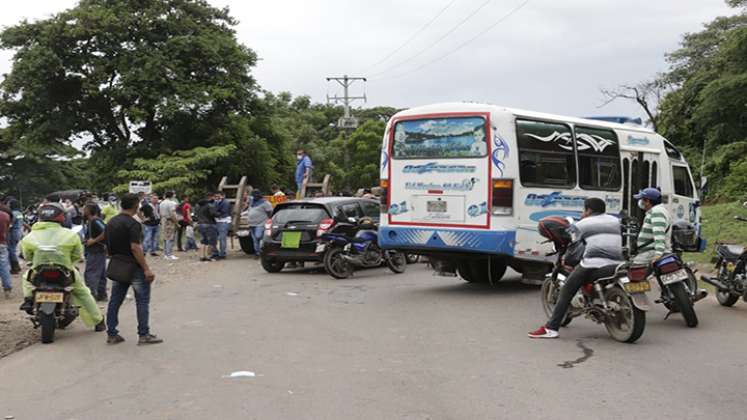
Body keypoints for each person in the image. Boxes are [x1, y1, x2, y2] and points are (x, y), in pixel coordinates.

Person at [528, 198, 623, 339]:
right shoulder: (615, 221)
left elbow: (573, 247)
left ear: (589, 210)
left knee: (567, 289)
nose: (583, 212)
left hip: (593, 265)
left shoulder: (582, 224)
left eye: (585, 210)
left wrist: (566, 257)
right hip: (616, 263)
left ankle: (551, 328)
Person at [19, 203, 105, 331]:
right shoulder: (71, 235)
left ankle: (29, 299)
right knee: (83, 293)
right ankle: (98, 321)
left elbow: (27, 256)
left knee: (26, 278)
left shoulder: (30, 237)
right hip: (65, 273)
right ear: (61, 217)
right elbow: (77, 255)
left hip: (39, 273)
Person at [105, 193, 163, 345]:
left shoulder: (111, 222)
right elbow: (135, 247)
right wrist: (146, 268)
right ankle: (143, 334)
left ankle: (112, 333)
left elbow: (108, 246)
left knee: (115, 300)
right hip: (134, 265)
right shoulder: (133, 224)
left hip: (119, 265)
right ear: (136, 206)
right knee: (142, 301)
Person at [633, 188, 670, 263]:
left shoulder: (656, 212)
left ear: (647, 201)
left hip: (650, 254)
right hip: (648, 252)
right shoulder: (658, 210)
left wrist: (658, 254)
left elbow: (659, 233)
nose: (640, 202)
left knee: (633, 271)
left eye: (642, 199)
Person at [83, 203, 108, 301]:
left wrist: (93, 240)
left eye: (85, 209)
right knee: (101, 273)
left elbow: (106, 231)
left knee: (91, 274)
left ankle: (91, 297)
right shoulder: (91, 221)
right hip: (97, 250)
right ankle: (102, 295)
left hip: (96, 251)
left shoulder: (95, 220)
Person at [248, 190, 273, 257]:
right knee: (254, 239)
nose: (254, 197)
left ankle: (262, 251)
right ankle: (257, 253)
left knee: (258, 236)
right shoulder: (252, 202)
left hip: (261, 223)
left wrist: (268, 221)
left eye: (255, 196)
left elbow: (270, 213)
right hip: (251, 224)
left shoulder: (265, 203)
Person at [196, 194, 218, 262]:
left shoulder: (198, 207)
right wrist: (219, 214)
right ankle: (208, 256)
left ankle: (202, 256)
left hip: (200, 224)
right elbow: (213, 214)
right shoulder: (209, 205)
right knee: (210, 241)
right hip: (209, 224)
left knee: (203, 241)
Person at [159, 191, 179, 261]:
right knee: (170, 237)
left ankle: (165, 254)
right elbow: (172, 214)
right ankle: (169, 254)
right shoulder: (170, 203)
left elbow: (160, 213)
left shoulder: (161, 203)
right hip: (169, 220)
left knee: (165, 237)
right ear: (172, 196)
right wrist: (176, 222)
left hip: (163, 220)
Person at [6, 198, 23, 274]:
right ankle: (16, 266)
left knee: (11, 250)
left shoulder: (13, 214)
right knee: (13, 249)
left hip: (12, 233)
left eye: (9, 203)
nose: (7, 205)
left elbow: (10, 225)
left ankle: (15, 267)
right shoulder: (19, 213)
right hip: (18, 232)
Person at [213, 192, 231, 260]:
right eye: (216, 196)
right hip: (217, 221)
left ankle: (222, 254)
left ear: (223, 196)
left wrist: (215, 213)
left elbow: (223, 211)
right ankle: (216, 253)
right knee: (215, 238)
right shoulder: (216, 202)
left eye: (218, 196)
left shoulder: (226, 202)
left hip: (223, 221)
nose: (217, 197)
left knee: (222, 238)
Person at [0, 205, 12, 298]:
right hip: (2, 243)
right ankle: (7, 289)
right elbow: (7, 230)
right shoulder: (5, 216)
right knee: (4, 267)